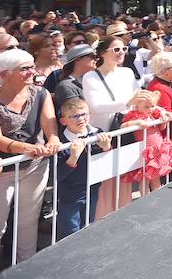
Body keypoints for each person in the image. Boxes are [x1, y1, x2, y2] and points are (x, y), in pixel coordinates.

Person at [0, 48, 61, 272]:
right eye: (25, 68)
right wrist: (27, 148)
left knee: (27, 224)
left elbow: (49, 125)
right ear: (4, 74)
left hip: (34, 168)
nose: (32, 71)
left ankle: (26, 270)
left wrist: (52, 139)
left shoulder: (39, 93)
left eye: (32, 66)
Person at [81, 36, 139, 219]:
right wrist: (127, 102)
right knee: (105, 183)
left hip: (127, 130)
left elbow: (137, 98)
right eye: (116, 50)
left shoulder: (128, 72)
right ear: (102, 53)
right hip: (104, 135)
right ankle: (102, 220)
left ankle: (124, 215)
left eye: (123, 48)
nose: (121, 53)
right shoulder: (90, 76)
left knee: (125, 178)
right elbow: (95, 106)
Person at [55, 98, 113, 239]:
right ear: (64, 121)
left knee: (88, 224)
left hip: (92, 188)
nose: (81, 119)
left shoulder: (97, 133)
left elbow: (106, 161)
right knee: (70, 230)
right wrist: (73, 157)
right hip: (70, 194)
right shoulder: (60, 141)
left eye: (84, 114)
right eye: (75, 116)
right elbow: (57, 175)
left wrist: (106, 147)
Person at [120, 90, 172, 194]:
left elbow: (160, 128)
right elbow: (123, 126)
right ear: (137, 106)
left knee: (156, 177)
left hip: (157, 150)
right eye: (147, 107)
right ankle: (145, 199)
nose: (150, 109)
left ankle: (157, 197)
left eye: (152, 106)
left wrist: (163, 121)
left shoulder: (152, 115)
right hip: (146, 153)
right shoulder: (135, 116)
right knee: (145, 179)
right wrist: (137, 122)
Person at [53, 43, 99, 112]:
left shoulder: (93, 81)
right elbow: (75, 112)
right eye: (92, 56)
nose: (97, 59)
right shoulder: (65, 86)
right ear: (77, 60)